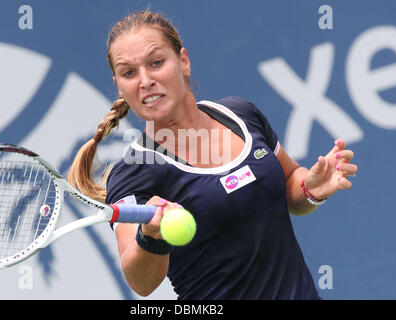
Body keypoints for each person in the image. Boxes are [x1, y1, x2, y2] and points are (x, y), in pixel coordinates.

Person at [67, 10, 358, 300]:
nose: (144, 80)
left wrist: (310, 189)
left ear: (183, 61)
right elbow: (141, 282)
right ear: (119, 85)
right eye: (129, 73)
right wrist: (151, 235)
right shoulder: (135, 170)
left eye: (156, 63)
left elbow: (291, 185)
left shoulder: (241, 114)